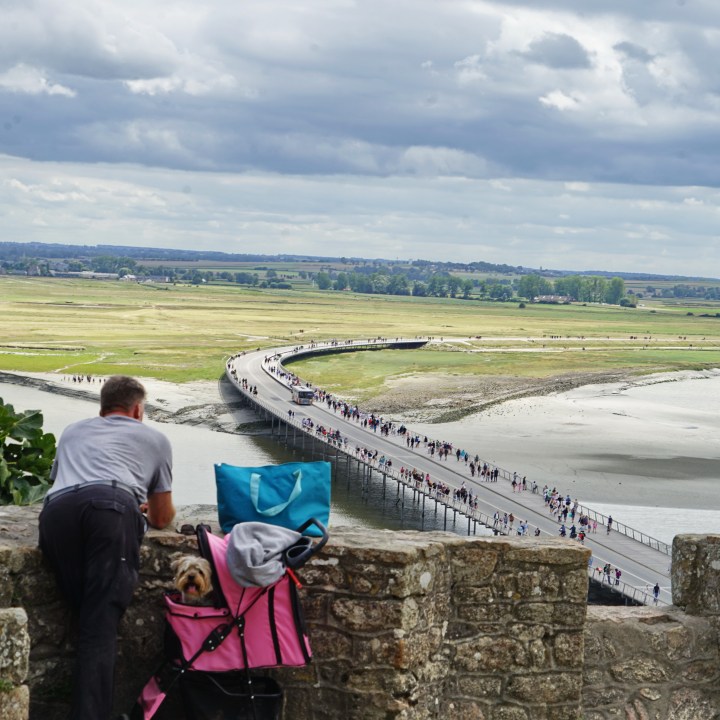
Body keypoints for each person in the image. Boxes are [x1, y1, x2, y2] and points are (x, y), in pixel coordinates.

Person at [38, 376, 175, 720]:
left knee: (86, 613)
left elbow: (67, 485)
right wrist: (133, 503)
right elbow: (161, 517)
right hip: (110, 509)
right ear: (138, 409)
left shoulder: (73, 430)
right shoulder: (156, 439)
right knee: (100, 625)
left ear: (101, 407)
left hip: (56, 514)